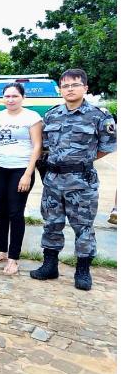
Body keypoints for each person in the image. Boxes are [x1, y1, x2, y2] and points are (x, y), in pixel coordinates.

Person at [30, 69, 115, 290]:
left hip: (82, 182)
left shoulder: (99, 115)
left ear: (85, 88)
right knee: (51, 224)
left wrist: (80, 161)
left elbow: (106, 147)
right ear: (61, 89)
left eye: (75, 85)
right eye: (65, 86)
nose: (70, 89)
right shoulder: (52, 114)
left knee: (83, 227)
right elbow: (45, 146)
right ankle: (50, 265)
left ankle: (83, 270)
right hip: (53, 180)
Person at [0, 83, 42, 276]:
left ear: (22, 97)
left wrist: (28, 173)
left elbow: (37, 146)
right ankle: (2, 250)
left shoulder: (32, 117)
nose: (10, 99)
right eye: (7, 96)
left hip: (20, 170)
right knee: (0, 211)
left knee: (15, 213)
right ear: (3, 98)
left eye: (15, 96)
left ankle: (14, 258)